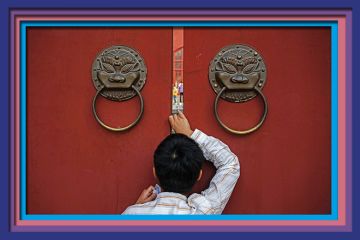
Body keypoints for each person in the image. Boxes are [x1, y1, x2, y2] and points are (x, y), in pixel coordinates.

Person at [122, 112, 240, 214]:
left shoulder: (132, 215)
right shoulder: (203, 212)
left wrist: (136, 208)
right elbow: (230, 163)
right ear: (199, 175)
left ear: (154, 172)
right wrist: (190, 134)